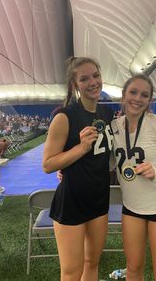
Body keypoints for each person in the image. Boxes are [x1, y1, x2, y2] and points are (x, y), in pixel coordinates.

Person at [43, 57, 114, 281]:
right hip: (72, 202)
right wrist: (81, 148)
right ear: (75, 85)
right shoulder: (65, 116)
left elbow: (106, 156)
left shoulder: (107, 114)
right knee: (71, 272)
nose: (93, 82)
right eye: (84, 78)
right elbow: (48, 164)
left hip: (99, 199)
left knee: (92, 263)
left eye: (96, 75)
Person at [111, 75, 156, 281]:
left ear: (150, 100)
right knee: (133, 269)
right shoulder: (114, 127)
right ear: (124, 95)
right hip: (131, 209)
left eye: (145, 95)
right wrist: (69, 169)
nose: (138, 98)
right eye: (133, 92)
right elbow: (109, 162)